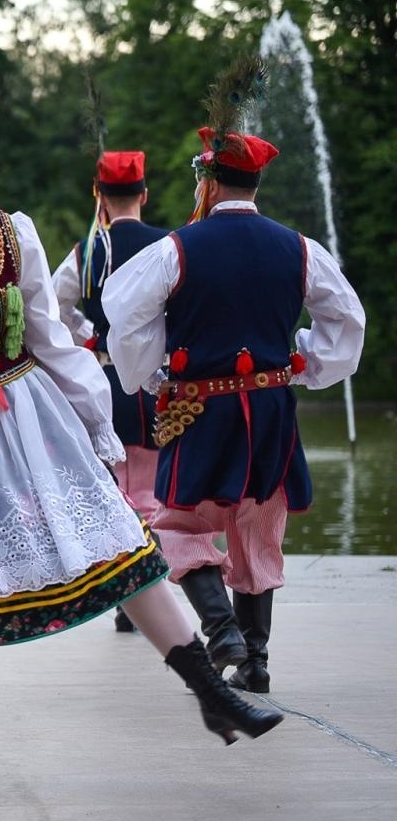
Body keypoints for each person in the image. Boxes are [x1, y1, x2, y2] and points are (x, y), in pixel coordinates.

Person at [0, 92, 283, 804]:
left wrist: (99, 430)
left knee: (122, 545)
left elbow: (52, 339)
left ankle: (210, 694)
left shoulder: (12, 234)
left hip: (23, 419)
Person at [103, 127, 365, 692]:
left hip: (199, 407)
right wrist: (306, 363)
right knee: (259, 525)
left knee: (178, 523)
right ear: (255, 183)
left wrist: (149, 375)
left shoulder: (176, 248)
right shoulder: (299, 248)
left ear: (209, 182)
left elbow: (124, 314)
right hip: (271, 408)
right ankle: (258, 662)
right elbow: (347, 320)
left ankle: (221, 631)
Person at [51, 150, 169, 633]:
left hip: (104, 379)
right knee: (151, 489)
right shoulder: (169, 245)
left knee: (117, 488)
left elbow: (53, 305)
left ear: (98, 196)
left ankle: (128, 595)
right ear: (144, 193)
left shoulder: (86, 252)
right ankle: (148, 590)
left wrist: (87, 336)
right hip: (157, 380)